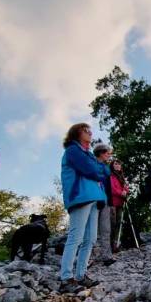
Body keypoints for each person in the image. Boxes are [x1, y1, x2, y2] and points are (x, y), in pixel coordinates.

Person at [60, 123, 107, 290]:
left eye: (90, 131)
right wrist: (97, 171)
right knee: (76, 237)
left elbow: (103, 172)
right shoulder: (73, 150)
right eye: (86, 131)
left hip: (93, 197)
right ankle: (66, 278)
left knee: (90, 238)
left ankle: (81, 275)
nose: (90, 133)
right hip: (80, 196)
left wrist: (98, 171)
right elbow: (91, 170)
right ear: (76, 133)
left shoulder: (88, 153)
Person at [94, 144, 114, 265]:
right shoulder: (91, 165)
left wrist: (110, 202)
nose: (109, 155)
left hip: (105, 200)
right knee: (91, 230)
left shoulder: (106, 168)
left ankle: (107, 256)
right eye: (107, 153)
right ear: (101, 153)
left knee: (106, 229)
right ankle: (88, 257)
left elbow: (108, 186)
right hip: (93, 200)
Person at [109, 159, 129, 253]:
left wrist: (126, 191)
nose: (117, 165)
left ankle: (116, 244)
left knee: (119, 223)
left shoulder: (122, 177)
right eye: (116, 164)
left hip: (121, 202)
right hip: (113, 202)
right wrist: (121, 192)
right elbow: (112, 188)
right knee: (112, 224)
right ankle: (111, 244)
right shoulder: (111, 176)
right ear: (112, 166)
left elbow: (126, 187)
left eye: (119, 164)